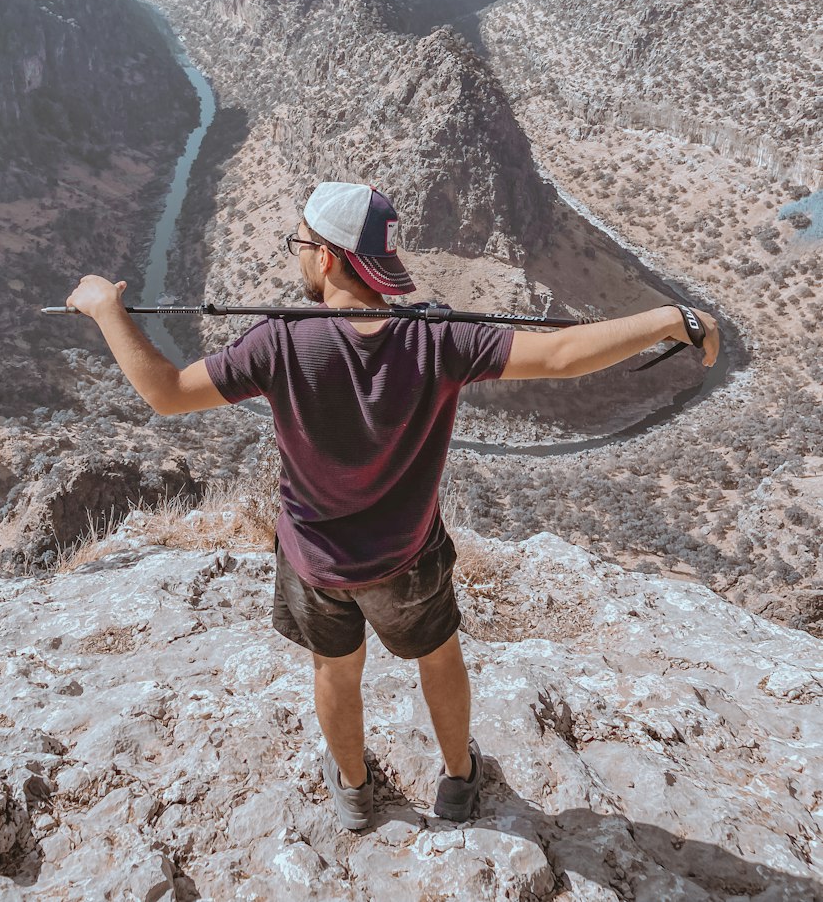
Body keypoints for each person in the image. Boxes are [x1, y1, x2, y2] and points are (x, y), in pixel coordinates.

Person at [65, 180, 719, 831]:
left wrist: (106, 311)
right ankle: (459, 778)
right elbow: (561, 356)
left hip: (315, 563)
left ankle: (353, 789)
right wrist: (666, 318)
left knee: (336, 672)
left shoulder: (280, 342)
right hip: (408, 558)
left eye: (300, 243)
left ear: (325, 256)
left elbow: (169, 391)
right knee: (439, 657)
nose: (297, 255)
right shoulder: (436, 336)